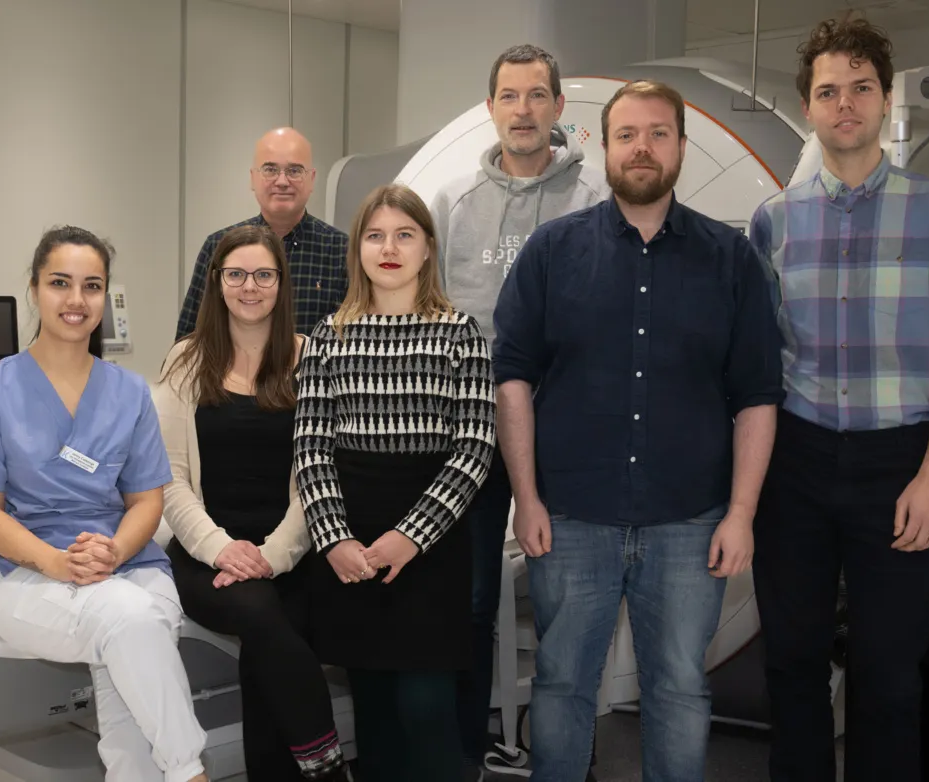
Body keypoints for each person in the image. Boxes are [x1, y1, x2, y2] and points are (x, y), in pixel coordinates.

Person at [491, 80, 784, 782]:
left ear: (680, 145)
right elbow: (512, 380)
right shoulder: (552, 252)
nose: (643, 148)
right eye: (628, 135)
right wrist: (526, 498)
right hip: (570, 519)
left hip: (690, 520)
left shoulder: (731, 260)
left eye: (658, 133)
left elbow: (758, 395)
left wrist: (742, 513)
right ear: (606, 146)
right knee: (562, 685)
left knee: (680, 689)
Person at [748, 15, 929, 782]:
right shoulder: (774, 222)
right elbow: (757, 362)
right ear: (808, 108)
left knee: (889, 677)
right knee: (791, 666)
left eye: (860, 87)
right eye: (827, 90)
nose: (844, 103)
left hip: (897, 465)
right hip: (797, 460)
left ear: (884, 101)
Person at [0, 226, 208, 782]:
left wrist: (113, 551)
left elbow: (147, 501)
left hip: (129, 563)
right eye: (60, 283)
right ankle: (189, 771)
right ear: (35, 289)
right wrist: (56, 561)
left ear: (106, 296)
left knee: (131, 655)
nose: (76, 300)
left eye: (92, 286)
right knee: (133, 625)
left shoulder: (129, 392)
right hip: (27, 574)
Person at [427, 44, 609, 772]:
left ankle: (569, 757)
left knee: (569, 603)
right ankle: (470, 754)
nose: (524, 110)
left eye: (538, 96)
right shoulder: (452, 205)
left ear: (559, 107)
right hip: (471, 430)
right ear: (492, 108)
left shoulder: (594, 201)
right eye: (510, 96)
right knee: (470, 602)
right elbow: (432, 312)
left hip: (564, 427)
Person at [294, 183, 496, 781]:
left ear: (428, 248)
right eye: (375, 236)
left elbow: (476, 449)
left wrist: (410, 537)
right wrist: (334, 541)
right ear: (357, 249)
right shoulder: (327, 338)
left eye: (404, 234)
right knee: (375, 710)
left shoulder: (461, 335)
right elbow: (310, 449)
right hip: (350, 545)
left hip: (431, 546)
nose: (389, 248)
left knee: (426, 707)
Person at [155, 224, 351, 782]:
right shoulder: (185, 362)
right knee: (263, 618)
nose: (249, 286)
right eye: (236, 274)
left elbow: (319, 471)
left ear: (280, 284)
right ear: (217, 283)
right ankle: (329, 770)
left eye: (263, 275)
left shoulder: (312, 360)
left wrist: (272, 556)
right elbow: (169, 480)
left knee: (272, 646)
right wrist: (222, 550)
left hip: (291, 551)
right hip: (203, 556)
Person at [177, 127, 348, 339]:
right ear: (253, 178)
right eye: (270, 169)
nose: (282, 181)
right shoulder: (219, 247)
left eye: (295, 170)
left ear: (312, 179)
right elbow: (188, 340)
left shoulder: (343, 252)